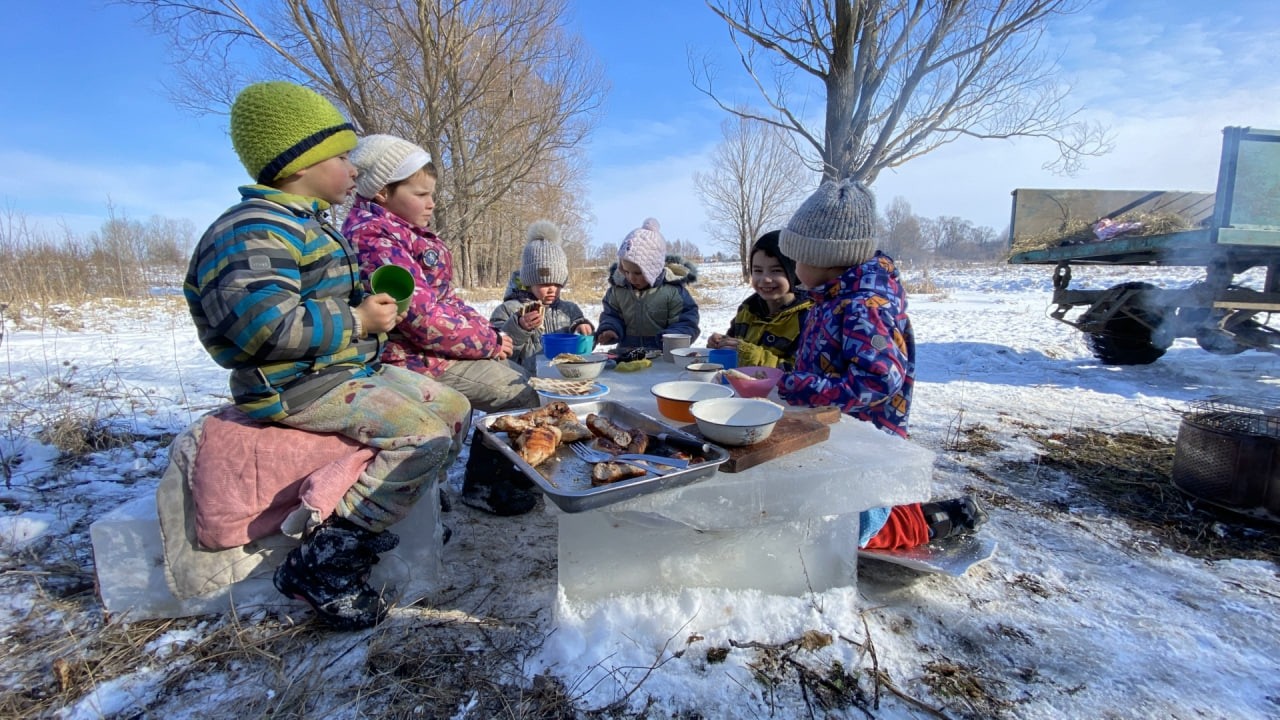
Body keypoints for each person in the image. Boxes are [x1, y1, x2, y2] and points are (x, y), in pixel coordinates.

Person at [184, 81, 471, 629]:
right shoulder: (251, 231)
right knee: (424, 435)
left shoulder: (308, 225)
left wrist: (368, 308)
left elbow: (321, 303)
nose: (354, 170)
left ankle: (412, 508)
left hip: (338, 370)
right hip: (292, 385)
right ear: (301, 164)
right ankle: (327, 563)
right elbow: (261, 327)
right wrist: (357, 320)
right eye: (342, 157)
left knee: (454, 407)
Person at [776, 179, 986, 550]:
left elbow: (876, 382)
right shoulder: (830, 298)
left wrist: (794, 386)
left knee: (847, 524)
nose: (793, 269)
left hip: (866, 442)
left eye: (797, 259)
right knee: (821, 504)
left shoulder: (864, 307)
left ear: (825, 260)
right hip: (834, 430)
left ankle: (930, 522)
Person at [342, 134, 539, 414]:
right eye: (421, 195)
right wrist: (487, 342)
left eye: (431, 194)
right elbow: (422, 320)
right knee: (518, 392)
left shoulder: (405, 234)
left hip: (430, 352)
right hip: (406, 359)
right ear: (382, 192)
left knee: (518, 375)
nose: (431, 203)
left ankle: (490, 453)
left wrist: (487, 333)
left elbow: (444, 298)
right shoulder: (374, 240)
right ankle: (498, 458)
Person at [489, 220, 594, 373]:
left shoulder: (570, 310)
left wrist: (586, 330)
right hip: (524, 382)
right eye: (544, 284)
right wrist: (518, 327)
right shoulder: (508, 310)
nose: (552, 289)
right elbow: (498, 351)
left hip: (564, 378)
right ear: (529, 282)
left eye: (557, 284)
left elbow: (585, 350)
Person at [706, 230, 812, 368]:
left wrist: (751, 356)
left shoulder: (807, 318)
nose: (765, 279)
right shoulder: (747, 310)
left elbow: (799, 371)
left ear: (793, 273)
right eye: (757, 271)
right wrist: (721, 344)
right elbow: (734, 348)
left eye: (776, 271)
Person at [595, 217, 700, 350]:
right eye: (626, 271)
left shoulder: (673, 292)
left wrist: (672, 337)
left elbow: (686, 321)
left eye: (638, 273)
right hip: (628, 356)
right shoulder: (617, 291)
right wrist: (610, 329)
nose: (631, 278)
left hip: (663, 357)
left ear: (653, 270)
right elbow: (611, 316)